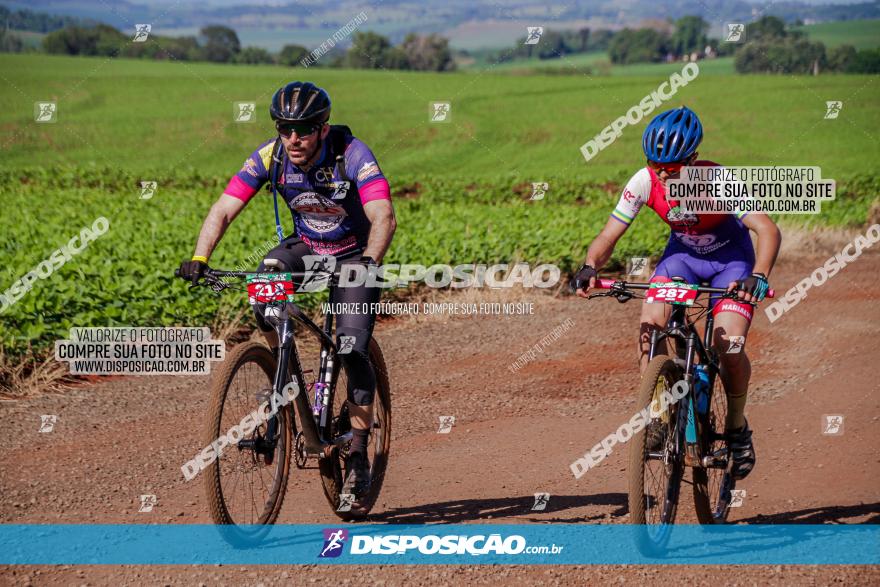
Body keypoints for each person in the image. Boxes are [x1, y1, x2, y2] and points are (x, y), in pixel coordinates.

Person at [178, 81, 396, 497]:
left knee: (351, 348)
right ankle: (281, 370)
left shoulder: (352, 154)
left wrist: (369, 263)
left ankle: (358, 451)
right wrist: (200, 256)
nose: (293, 139)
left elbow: (382, 213)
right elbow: (225, 207)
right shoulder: (271, 155)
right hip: (307, 249)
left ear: (323, 127)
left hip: (353, 255)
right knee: (265, 282)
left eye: (304, 130)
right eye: (285, 128)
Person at [571, 106, 781, 480]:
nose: (663, 173)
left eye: (673, 167)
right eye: (656, 165)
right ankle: (658, 417)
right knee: (650, 328)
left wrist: (759, 276)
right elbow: (608, 236)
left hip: (730, 262)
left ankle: (736, 428)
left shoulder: (718, 181)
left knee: (728, 346)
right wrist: (591, 266)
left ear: (694, 160)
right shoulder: (644, 180)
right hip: (682, 259)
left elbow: (767, 230)